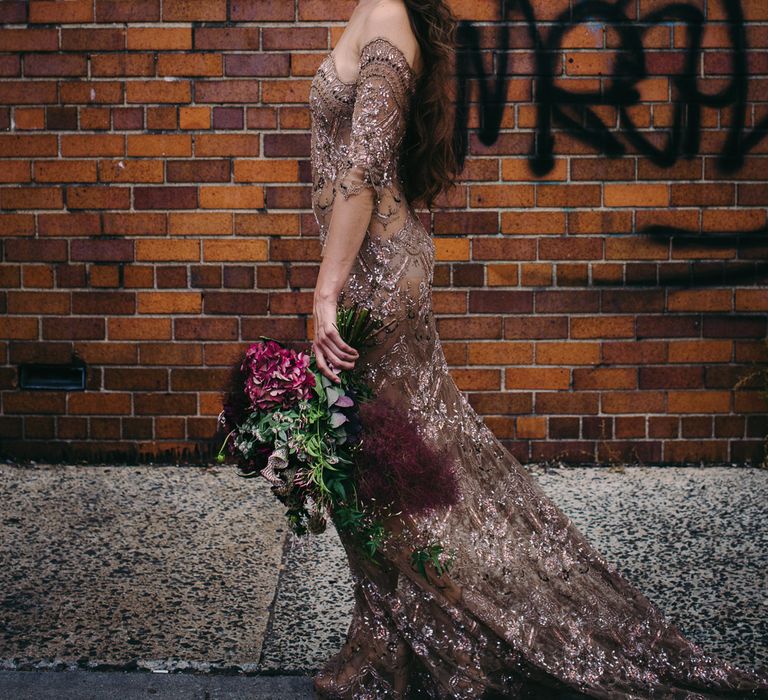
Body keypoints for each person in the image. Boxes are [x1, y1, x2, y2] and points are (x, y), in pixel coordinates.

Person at [307, 0, 768, 697]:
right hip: (370, 265)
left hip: (370, 276)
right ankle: (390, 636)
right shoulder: (374, 9)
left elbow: (363, 168)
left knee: (379, 465)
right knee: (379, 464)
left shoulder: (388, 19)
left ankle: (416, 640)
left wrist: (324, 292)